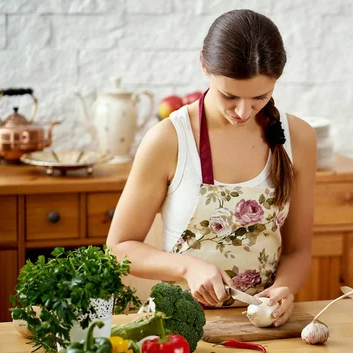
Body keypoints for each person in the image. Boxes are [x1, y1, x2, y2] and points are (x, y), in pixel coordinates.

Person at [106, 9, 317, 327]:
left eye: (261, 97)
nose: (244, 111)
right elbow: (119, 248)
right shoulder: (169, 139)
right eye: (229, 96)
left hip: (261, 328)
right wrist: (186, 267)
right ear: (204, 65)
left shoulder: (297, 138)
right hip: (179, 327)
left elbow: (298, 251)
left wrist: (283, 289)